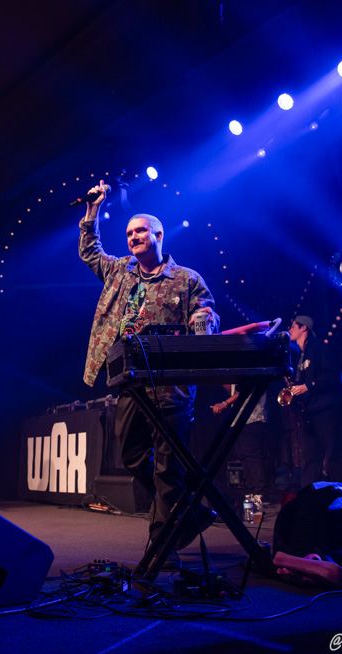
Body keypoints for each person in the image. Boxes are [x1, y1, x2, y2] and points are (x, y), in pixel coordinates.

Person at [78, 181, 219, 557]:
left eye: (140, 231)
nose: (133, 238)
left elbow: (205, 313)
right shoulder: (120, 272)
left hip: (172, 387)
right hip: (131, 382)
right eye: (128, 233)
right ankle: (189, 512)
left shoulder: (187, 279)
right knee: (132, 456)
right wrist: (93, 211)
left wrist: (204, 322)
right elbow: (90, 251)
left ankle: (162, 547)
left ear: (158, 235)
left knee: (168, 467)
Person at [285, 315, 342, 486]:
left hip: (326, 411)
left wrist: (307, 386)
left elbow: (333, 375)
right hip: (309, 414)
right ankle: (309, 499)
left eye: (292, 326)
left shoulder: (319, 347)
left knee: (333, 454)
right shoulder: (300, 354)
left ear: (303, 328)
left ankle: (341, 497)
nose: (289, 330)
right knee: (310, 459)